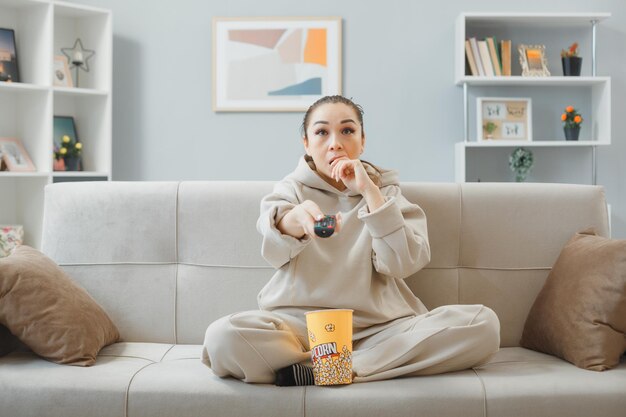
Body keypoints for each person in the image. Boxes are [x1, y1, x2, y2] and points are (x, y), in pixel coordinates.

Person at [202, 95, 500, 386]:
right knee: (222, 337)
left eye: (347, 130)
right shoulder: (289, 190)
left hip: (381, 329)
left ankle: (328, 369)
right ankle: (340, 365)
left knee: (483, 325)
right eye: (321, 132)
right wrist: (298, 221)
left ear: (362, 140)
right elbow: (275, 230)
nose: (335, 142)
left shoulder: (388, 193)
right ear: (306, 143)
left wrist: (371, 193)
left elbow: (403, 263)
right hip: (300, 329)